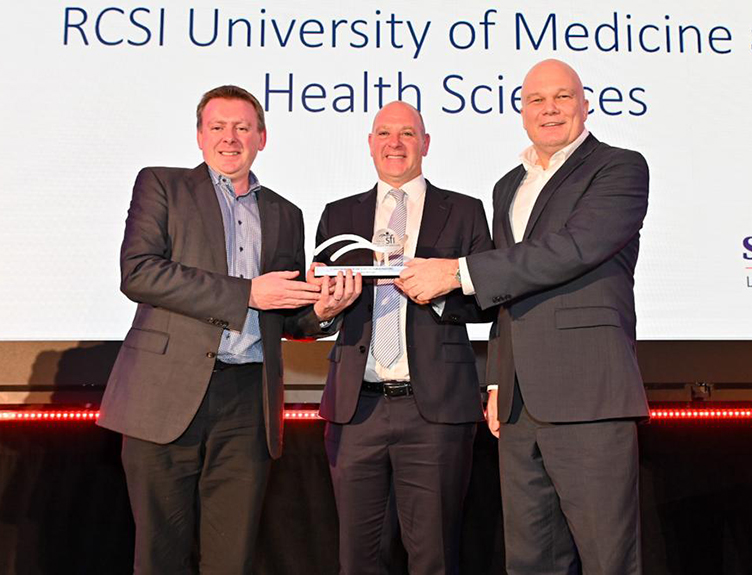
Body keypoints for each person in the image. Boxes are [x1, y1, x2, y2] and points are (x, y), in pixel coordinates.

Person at [398, 59, 650, 574]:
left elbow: (572, 249)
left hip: (588, 393)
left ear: (586, 104)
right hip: (517, 405)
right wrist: (494, 378)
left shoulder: (619, 167)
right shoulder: (507, 185)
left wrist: (456, 271)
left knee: (608, 558)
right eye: (536, 99)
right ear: (521, 111)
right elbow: (505, 291)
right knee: (531, 560)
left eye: (562, 97)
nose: (549, 109)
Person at [98, 85, 351, 574]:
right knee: (159, 556)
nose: (230, 138)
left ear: (262, 137)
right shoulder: (162, 185)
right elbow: (139, 272)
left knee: (232, 558)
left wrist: (323, 310)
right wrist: (246, 295)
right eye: (217, 127)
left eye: (242, 127)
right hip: (164, 396)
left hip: (247, 401)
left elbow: (286, 314)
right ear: (199, 136)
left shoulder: (285, 213)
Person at [312, 100, 493, 575]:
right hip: (356, 410)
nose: (395, 143)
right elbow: (319, 308)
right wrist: (325, 312)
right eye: (384, 133)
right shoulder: (338, 215)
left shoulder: (466, 212)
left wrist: (438, 290)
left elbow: (488, 300)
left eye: (408, 134)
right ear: (370, 144)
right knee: (357, 558)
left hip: (434, 410)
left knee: (434, 556)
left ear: (426, 144)